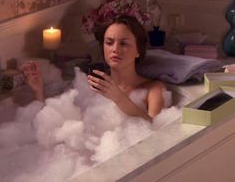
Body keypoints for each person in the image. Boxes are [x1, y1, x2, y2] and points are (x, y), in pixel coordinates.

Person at [21, 15, 166, 122]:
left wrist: (120, 99)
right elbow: (56, 126)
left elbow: (156, 131)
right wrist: (38, 91)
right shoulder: (91, 87)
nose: (115, 49)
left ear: (138, 50)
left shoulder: (153, 89)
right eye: (109, 42)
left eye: (124, 43)